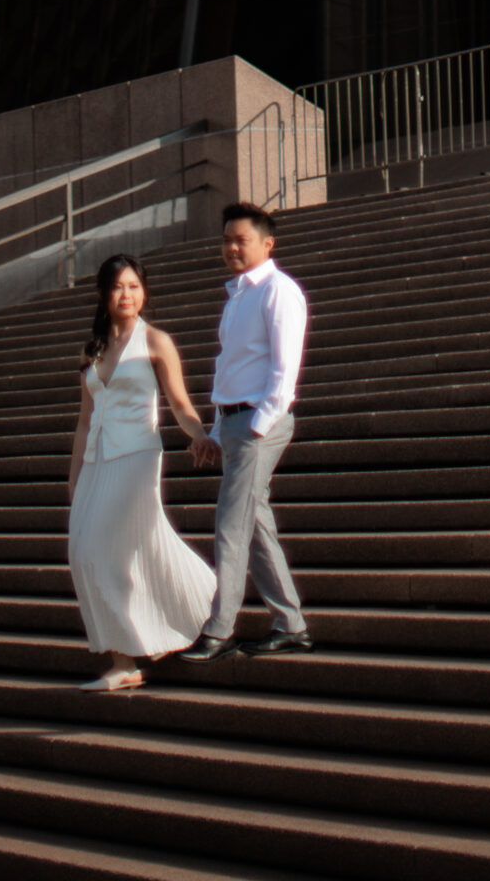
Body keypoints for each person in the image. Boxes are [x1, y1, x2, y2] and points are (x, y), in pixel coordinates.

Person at [67, 252, 217, 692]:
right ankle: (125, 659)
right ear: (103, 294)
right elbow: (84, 420)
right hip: (96, 461)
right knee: (87, 554)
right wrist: (74, 476)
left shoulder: (155, 341)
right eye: (118, 287)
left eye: (134, 286)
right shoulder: (91, 350)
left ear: (144, 292)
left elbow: (180, 403)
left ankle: (204, 602)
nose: (126, 295)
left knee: (99, 551)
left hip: (137, 456)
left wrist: (198, 434)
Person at [178, 201, 312, 661]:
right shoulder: (238, 296)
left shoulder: (279, 291)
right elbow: (230, 368)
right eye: (226, 240)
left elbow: (284, 371)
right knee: (254, 525)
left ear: (267, 243)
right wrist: (218, 430)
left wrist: (255, 427)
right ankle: (291, 624)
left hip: (260, 422)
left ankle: (219, 631)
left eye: (242, 240)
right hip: (235, 420)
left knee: (231, 524)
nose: (232, 248)